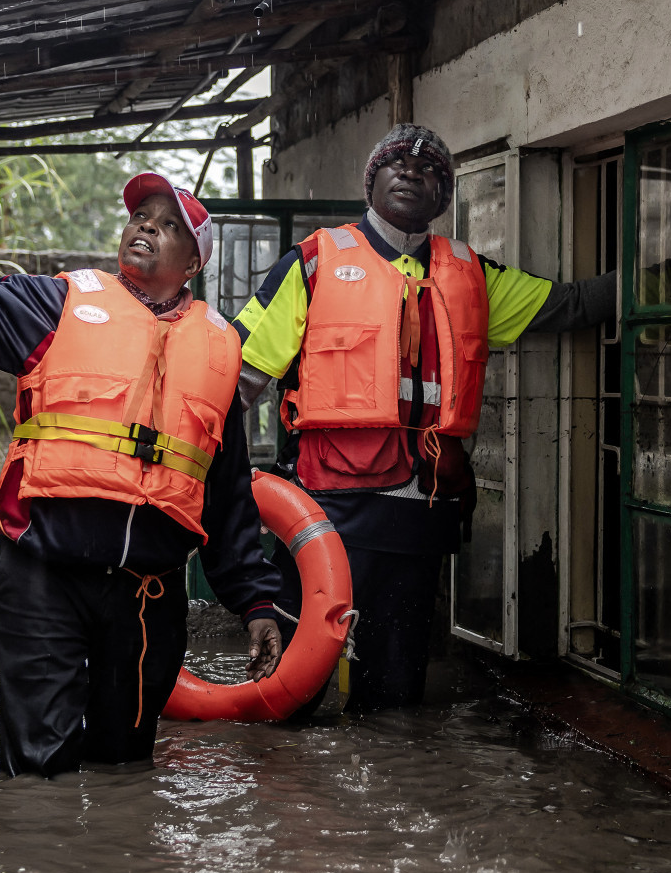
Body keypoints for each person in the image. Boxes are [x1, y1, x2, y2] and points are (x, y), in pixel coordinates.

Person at [0, 91, 285, 774]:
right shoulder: (56, 304)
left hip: (147, 595)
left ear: (194, 263)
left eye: (168, 225)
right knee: (39, 774)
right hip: (43, 572)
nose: (146, 227)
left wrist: (255, 601)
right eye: (140, 215)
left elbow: (226, 497)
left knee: (125, 770)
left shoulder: (220, 352)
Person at [232, 123, 615, 712]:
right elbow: (239, 380)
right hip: (326, 511)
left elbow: (573, 305)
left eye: (430, 168)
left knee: (394, 694)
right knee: (291, 692)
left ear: (444, 196)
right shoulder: (313, 264)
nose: (412, 171)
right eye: (396, 162)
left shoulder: (473, 277)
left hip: (420, 519)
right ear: (372, 182)